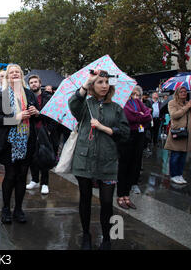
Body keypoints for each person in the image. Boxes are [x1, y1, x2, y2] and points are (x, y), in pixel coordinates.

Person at [68, 69, 130, 250]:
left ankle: (107, 238)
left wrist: (105, 128)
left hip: (108, 161)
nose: (104, 85)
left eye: (106, 82)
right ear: (93, 86)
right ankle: (86, 234)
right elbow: (73, 104)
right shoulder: (85, 105)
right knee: (85, 199)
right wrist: (86, 84)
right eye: (99, 82)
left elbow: (125, 133)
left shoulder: (116, 108)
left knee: (106, 202)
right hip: (84, 160)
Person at [0, 64, 39, 224]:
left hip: (27, 140)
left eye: (18, 72)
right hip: (9, 142)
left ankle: (18, 209)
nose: (15, 74)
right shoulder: (1, 95)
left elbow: (36, 115)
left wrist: (36, 113)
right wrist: (16, 117)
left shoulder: (29, 94)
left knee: (22, 176)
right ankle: (5, 208)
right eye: (12, 72)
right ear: (8, 77)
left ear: (21, 75)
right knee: (10, 176)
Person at [117, 86, 152, 208]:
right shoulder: (123, 103)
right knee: (124, 166)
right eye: (131, 92)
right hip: (127, 136)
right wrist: (141, 116)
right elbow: (130, 116)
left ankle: (126, 195)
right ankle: (120, 195)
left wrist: (141, 115)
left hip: (139, 136)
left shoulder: (137, 101)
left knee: (134, 164)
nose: (134, 95)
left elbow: (148, 115)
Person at [26, 74, 57, 195]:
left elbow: (53, 115)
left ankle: (45, 183)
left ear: (40, 84)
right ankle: (34, 179)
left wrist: (48, 129)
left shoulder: (48, 97)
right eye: (31, 83)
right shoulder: (28, 97)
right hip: (31, 131)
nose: (33, 84)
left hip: (45, 131)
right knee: (32, 157)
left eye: (35, 82)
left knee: (44, 157)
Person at [164, 86, 191, 185]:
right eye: (181, 92)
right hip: (177, 132)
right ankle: (173, 175)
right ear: (177, 93)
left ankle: (179, 174)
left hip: (187, 133)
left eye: (185, 92)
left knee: (183, 156)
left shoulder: (188, 103)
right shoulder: (172, 103)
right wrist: (187, 107)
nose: (184, 93)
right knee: (176, 155)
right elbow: (174, 115)